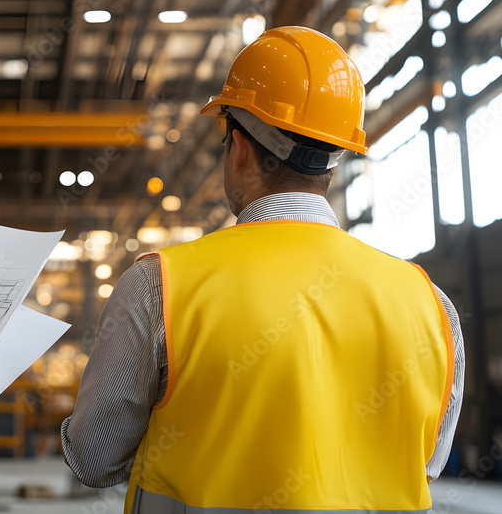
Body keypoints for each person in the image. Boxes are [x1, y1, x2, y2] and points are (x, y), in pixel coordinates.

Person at [62, 26, 464, 513]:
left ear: (241, 149)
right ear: (333, 159)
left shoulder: (161, 285)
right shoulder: (431, 305)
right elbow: (423, 461)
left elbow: (93, 458)